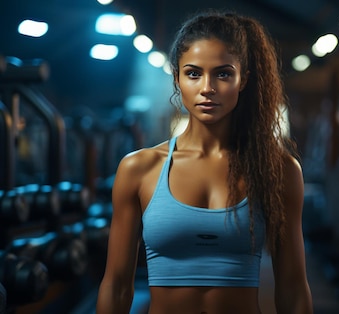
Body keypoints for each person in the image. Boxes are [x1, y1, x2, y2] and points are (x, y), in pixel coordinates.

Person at [96, 10, 313, 314]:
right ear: (177, 78)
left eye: (223, 73)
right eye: (193, 73)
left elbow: (292, 287)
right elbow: (117, 285)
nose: (207, 87)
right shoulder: (139, 169)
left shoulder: (278, 170)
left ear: (243, 80)